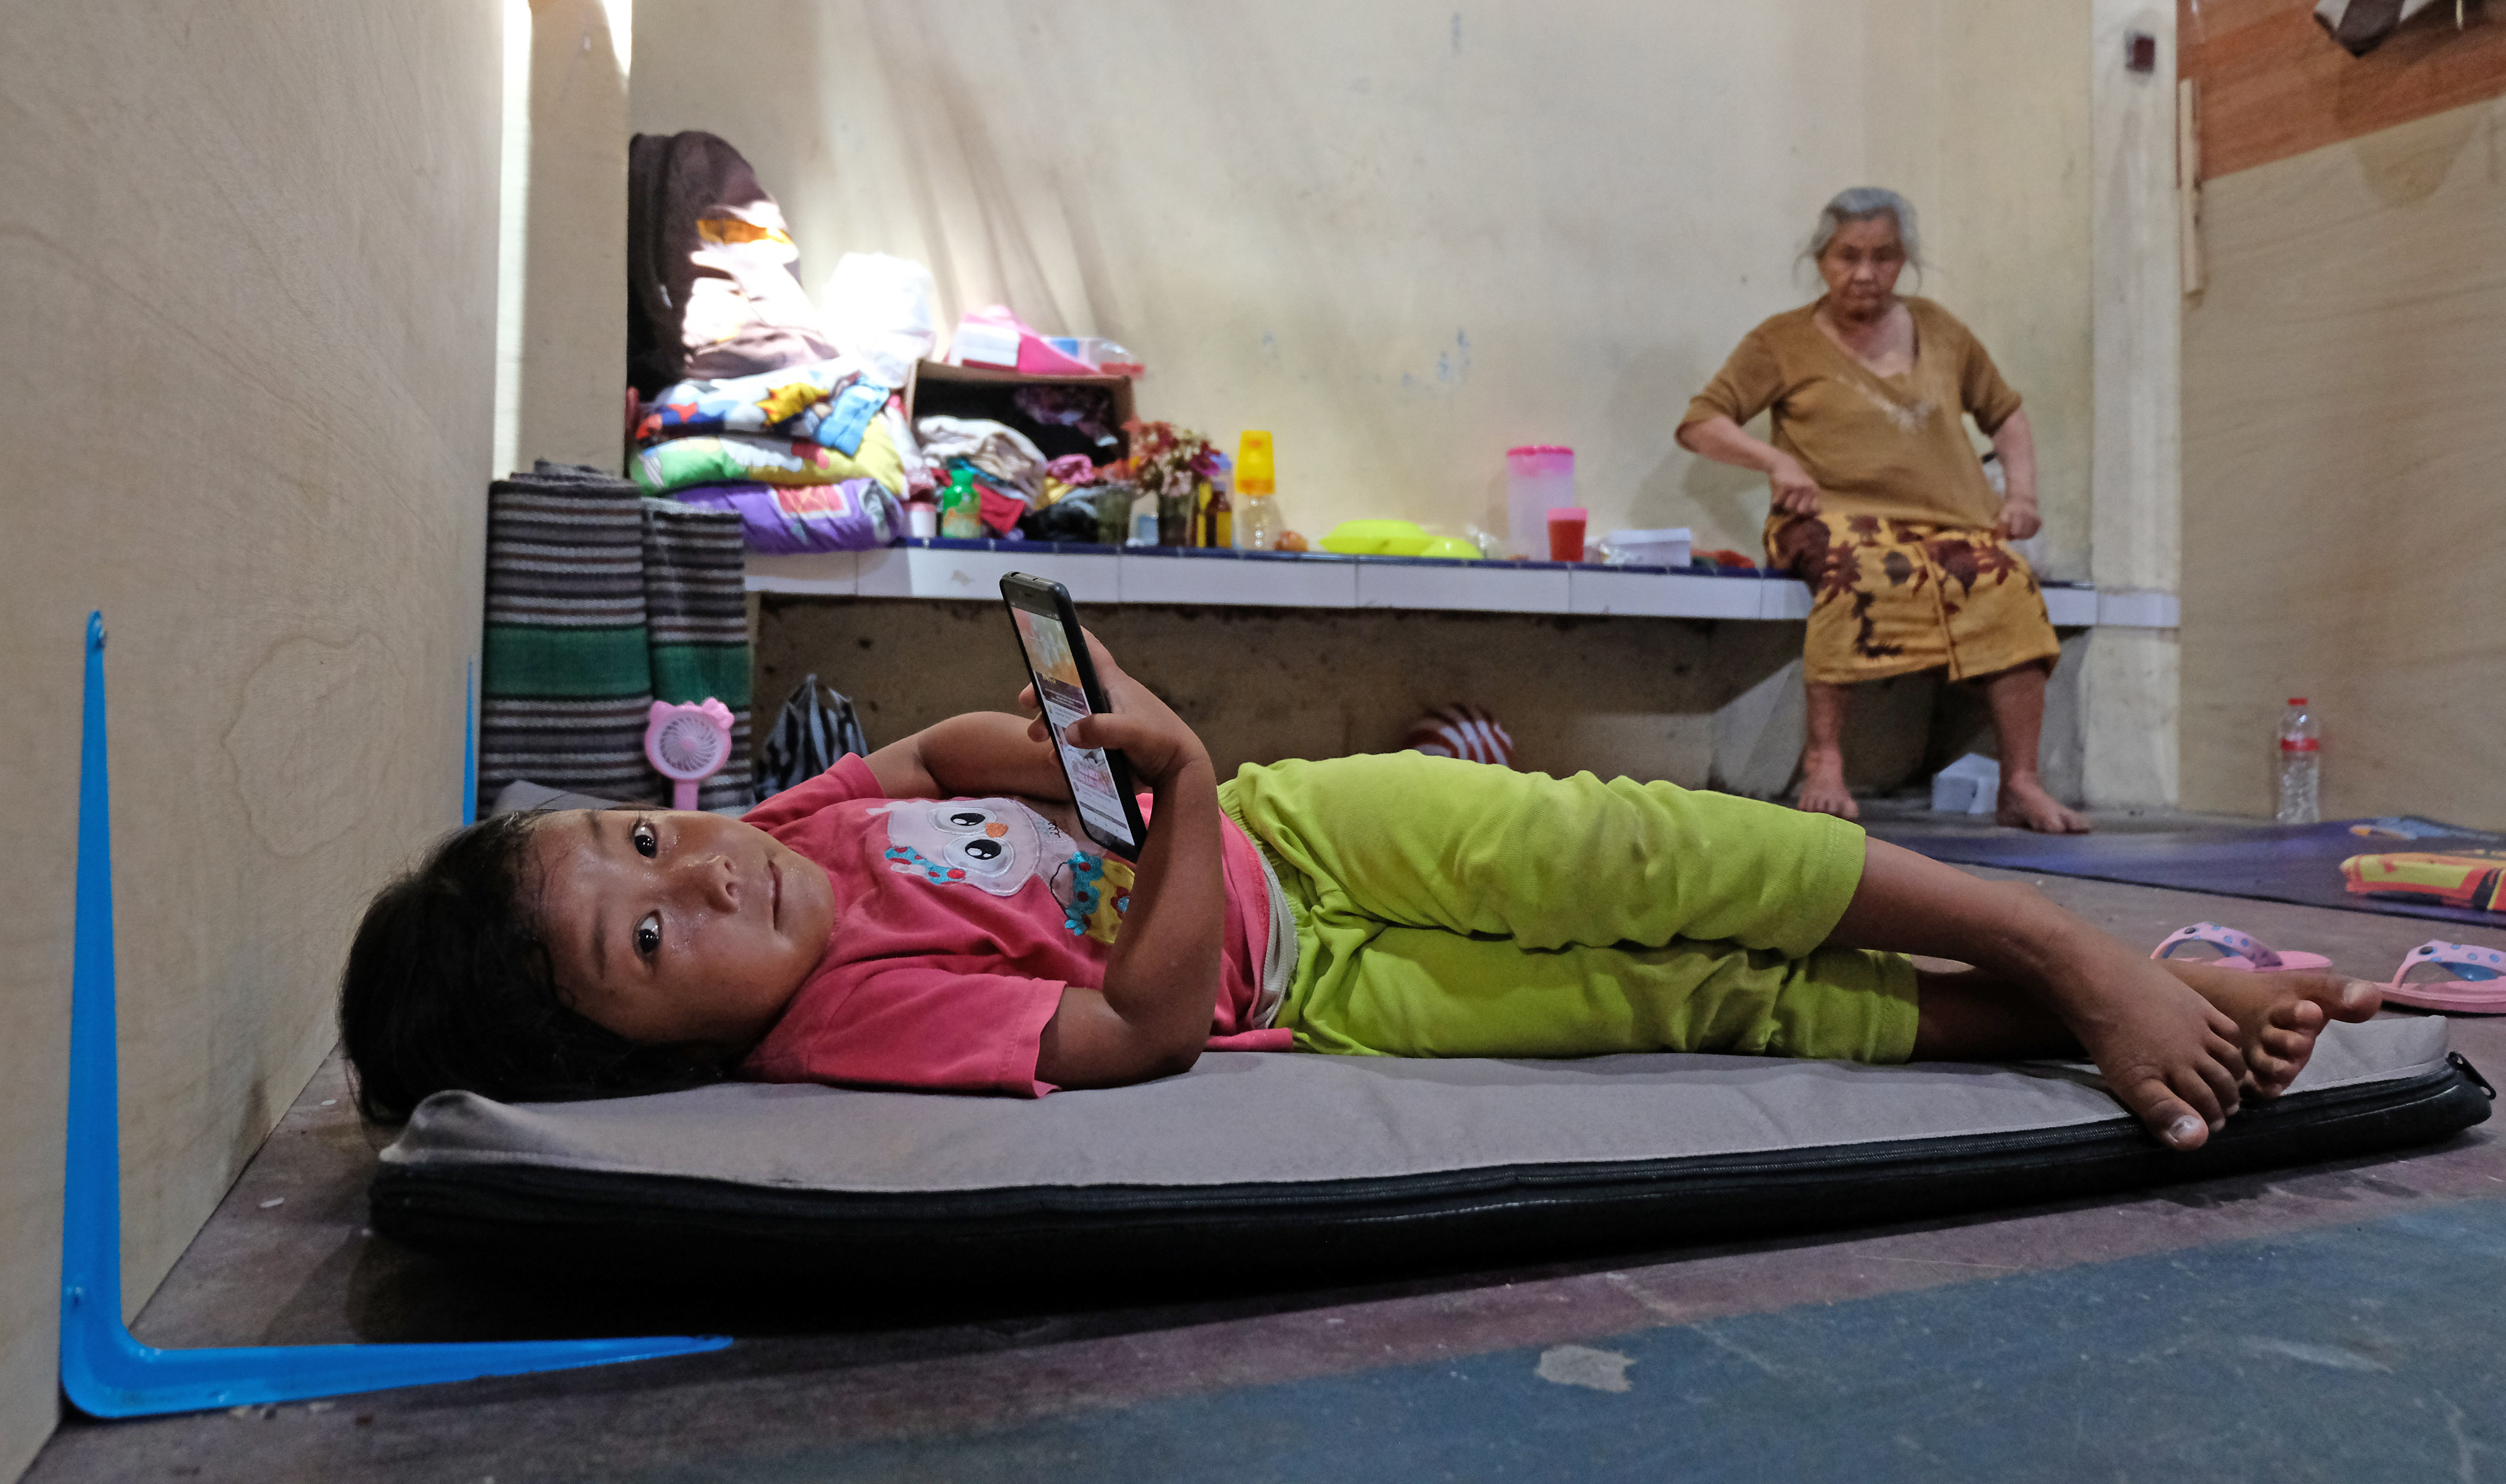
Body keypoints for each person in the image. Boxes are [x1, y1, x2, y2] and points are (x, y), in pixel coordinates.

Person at [341, 631, 2381, 1156]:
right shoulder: (844, 1020)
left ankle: (2049, 932)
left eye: (632, 840)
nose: (688, 870)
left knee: (1634, 850)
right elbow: (1133, 1032)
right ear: (643, 1057)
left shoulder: (787, 835)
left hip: (1321, 829)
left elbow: (943, 759)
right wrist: (1182, 793)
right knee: (1677, 1000)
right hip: (1327, 976)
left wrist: (1061, 739)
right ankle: (2071, 1014)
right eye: (643, 939)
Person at [1677, 187, 2087, 832]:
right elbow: (1702, 423)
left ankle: (2022, 782)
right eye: (1848, 256)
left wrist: (2023, 495)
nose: (1865, 273)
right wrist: (1778, 464)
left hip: (1948, 523)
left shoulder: (1943, 330)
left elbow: (2005, 415)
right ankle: (1825, 761)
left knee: (2006, 582)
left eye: (1884, 256)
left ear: (1905, 261)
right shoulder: (1781, 341)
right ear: (1821, 260)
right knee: (1855, 575)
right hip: (1834, 520)